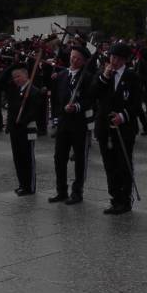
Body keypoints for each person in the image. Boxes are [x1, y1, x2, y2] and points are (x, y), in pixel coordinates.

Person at [93, 42, 143, 215]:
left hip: (124, 128)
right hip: (105, 128)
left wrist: (122, 116)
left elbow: (136, 104)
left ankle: (125, 199)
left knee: (123, 164)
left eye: (118, 59)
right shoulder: (103, 75)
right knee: (109, 165)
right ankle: (114, 198)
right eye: (112, 57)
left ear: (124, 60)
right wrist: (104, 77)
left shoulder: (132, 77)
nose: (113, 61)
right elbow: (94, 93)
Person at [48, 44, 94, 205]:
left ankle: (77, 192)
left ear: (83, 61)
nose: (74, 60)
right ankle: (61, 191)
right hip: (63, 122)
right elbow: (55, 99)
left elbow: (90, 99)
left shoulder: (88, 77)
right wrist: (55, 117)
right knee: (59, 157)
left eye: (78, 59)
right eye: (73, 57)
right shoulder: (61, 75)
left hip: (79, 123)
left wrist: (77, 106)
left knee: (79, 158)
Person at [6, 64, 42, 196]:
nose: (16, 79)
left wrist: (21, 121)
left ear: (26, 75)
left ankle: (30, 186)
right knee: (18, 157)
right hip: (15, 129)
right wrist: (10, 124)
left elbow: (34, 112)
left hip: (26, 128)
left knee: (27, 157)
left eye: (18, 76)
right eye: (14, 77)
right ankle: (22, 184)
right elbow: (11, 109)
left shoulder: (33, 91)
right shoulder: (15, 90)